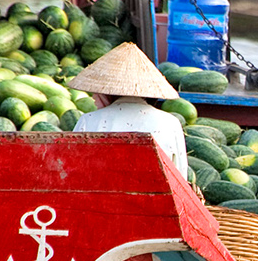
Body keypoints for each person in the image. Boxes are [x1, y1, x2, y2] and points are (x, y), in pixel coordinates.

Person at [69, 42, 190, 177]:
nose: (93, 98)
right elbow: (181, 182)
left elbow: (74, 176)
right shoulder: (170, 123)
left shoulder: (88, 121)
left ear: (106, 92)